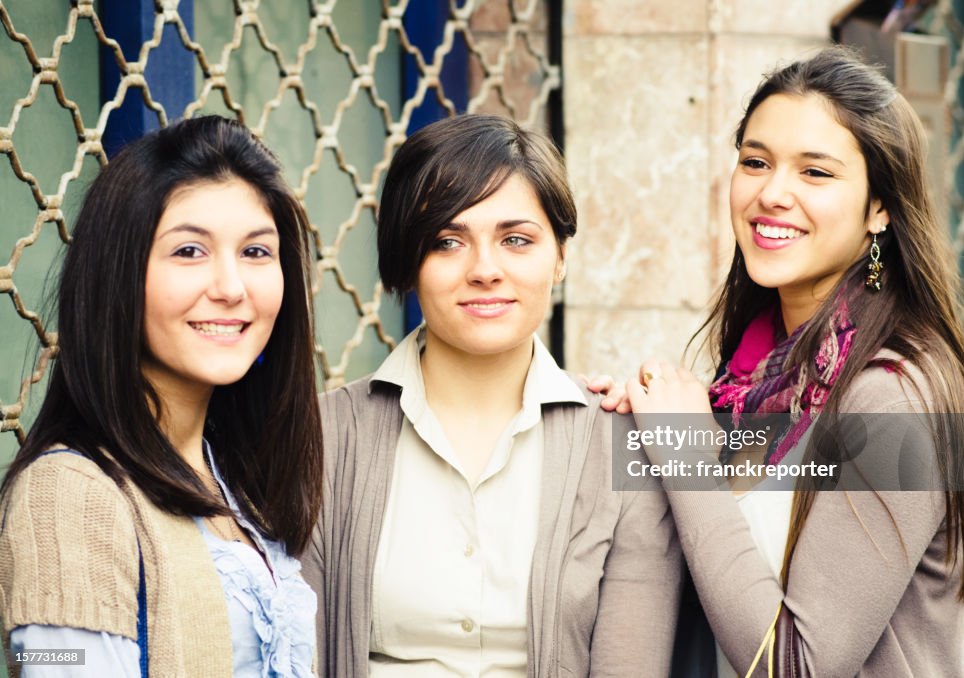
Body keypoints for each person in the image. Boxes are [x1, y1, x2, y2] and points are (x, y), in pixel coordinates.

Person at [614, 47, 964, 676]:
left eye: (815, 173)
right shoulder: (759, 378)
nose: (772, 193)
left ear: (880, 207)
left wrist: (680, 446)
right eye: (755, 162)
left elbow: (796, 667)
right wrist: (630, 417)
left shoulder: (897, 396)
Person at [301, 114, 682, 677]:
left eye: (516, 240)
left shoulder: (622, 440)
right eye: (448, 241)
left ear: (560, 258)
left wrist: (687, 439)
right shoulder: (327, 436)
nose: (485, 270)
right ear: (409, 261)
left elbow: (847, 454)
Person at [0, 116, 323, 677]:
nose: (230, 288)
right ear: (118, 276)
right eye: (190, 251)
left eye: (255, 252)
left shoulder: (236, 478)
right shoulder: (68, 495)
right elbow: (54, 661)